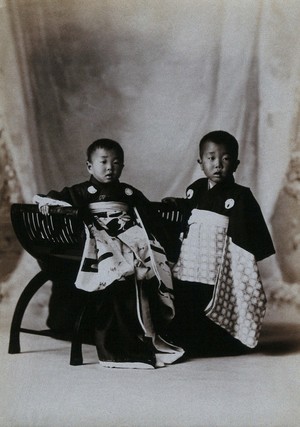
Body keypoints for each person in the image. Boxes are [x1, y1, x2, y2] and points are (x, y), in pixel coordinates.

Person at [33, 138, 184, 369]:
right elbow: (57, 199)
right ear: (89, 166)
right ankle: (117, 346)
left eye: (116, 162)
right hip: (101, 239)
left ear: (122, 166)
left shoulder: (127, 192)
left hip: (128, 238)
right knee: (119, 269)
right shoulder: (83, 191)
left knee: (147, 262)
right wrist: (49, 203)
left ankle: (146, 335)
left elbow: (149, 215)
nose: (109, 167)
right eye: (103, 162)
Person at [162, 130, 275, 356]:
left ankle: (219, 341)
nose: (218, 165)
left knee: (213, 298)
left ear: (235, 164)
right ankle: (187, 338)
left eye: (225, 159)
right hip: (193, 257)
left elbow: (251, 231)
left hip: (218, 259)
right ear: (200, 162)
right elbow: (189, 214)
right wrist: (178, 205)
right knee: (188, 296)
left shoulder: (241, 195)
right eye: (211, 158)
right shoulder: (195, 189)